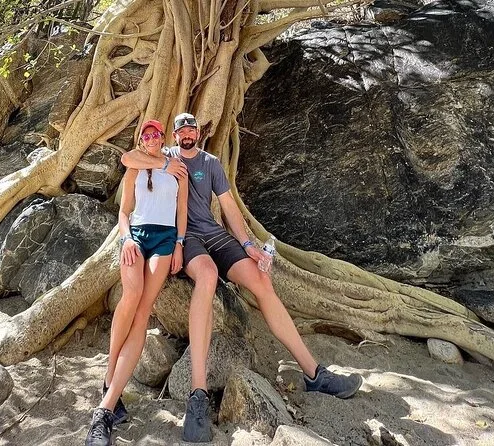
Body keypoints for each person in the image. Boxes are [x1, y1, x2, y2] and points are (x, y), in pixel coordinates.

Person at [121, 113, 363, 443]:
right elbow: (130, 158)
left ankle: (314, 373)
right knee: (207, 276)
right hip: (185, 238)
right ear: (174, 136)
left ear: (199, 133)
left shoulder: (211, 163)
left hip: (214, 234)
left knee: (262, 283)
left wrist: (248, 244)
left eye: (192, 129)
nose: (187, 134)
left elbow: (229, 206)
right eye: (181, 130)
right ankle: (198, 394)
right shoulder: (166, 156)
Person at [86, 120, 188, 446]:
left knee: (143, 310)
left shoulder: (178, 169)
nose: (151, 137)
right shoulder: (135, 166)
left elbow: (182, 210)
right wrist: (127, 239)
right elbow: (124, 212)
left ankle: (105, 406)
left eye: (156, 133)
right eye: (146, 134)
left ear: (163, 137)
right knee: (131, 295)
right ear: (142, 140)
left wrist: (179, 245)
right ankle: (110, 378)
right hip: (137, 237)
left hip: (165, 239)